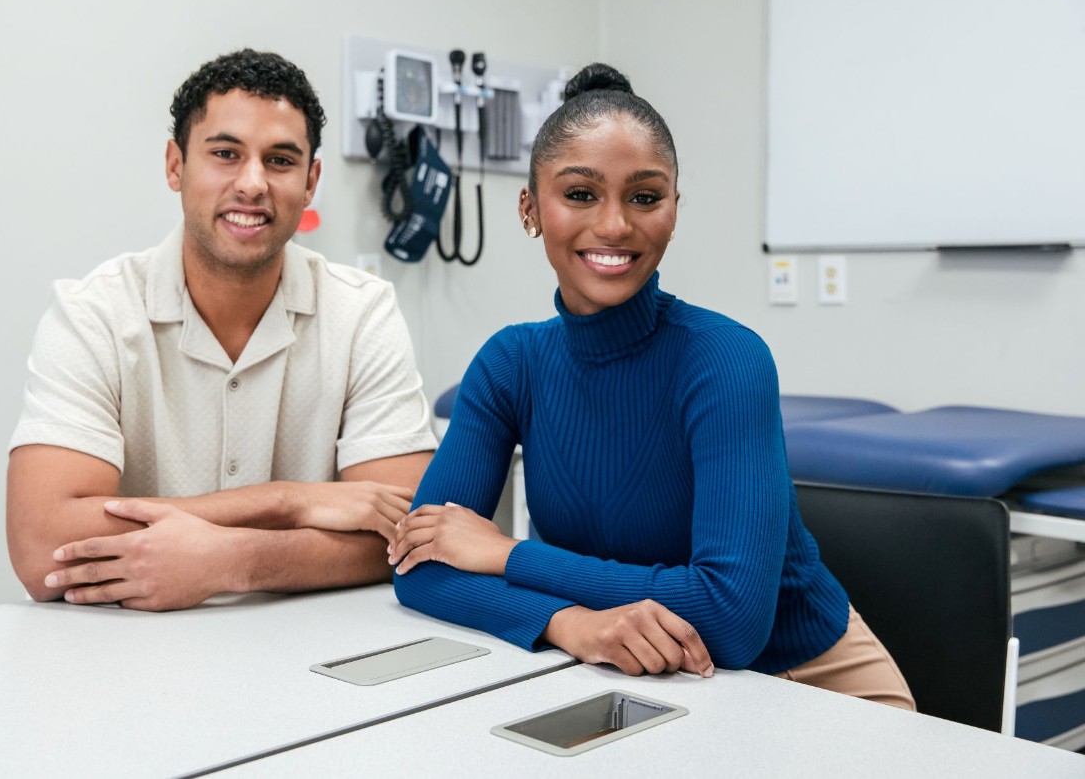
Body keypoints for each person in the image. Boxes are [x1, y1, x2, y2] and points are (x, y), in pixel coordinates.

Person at [388, 63, 914, 708]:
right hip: (633, 669)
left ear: (673, 210)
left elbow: (730, 619)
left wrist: (504, 555)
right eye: (580, 194)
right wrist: (570, 624)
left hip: (808, 680)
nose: (614, 226)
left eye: (644, 197)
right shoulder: (509, 364)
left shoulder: (726, 359)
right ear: (530, 209)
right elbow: (420, 570)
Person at [8, 49, 437, 610]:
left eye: (280, 160)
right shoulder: (95, 314)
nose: (253, 183)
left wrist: (228, 561)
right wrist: (288, 502)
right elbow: (43, 546)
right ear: (174, 165)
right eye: (226, 154)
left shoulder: (362, 314)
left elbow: (405, 537)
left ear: (311, 182)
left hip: (305, 655)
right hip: (117, 655)